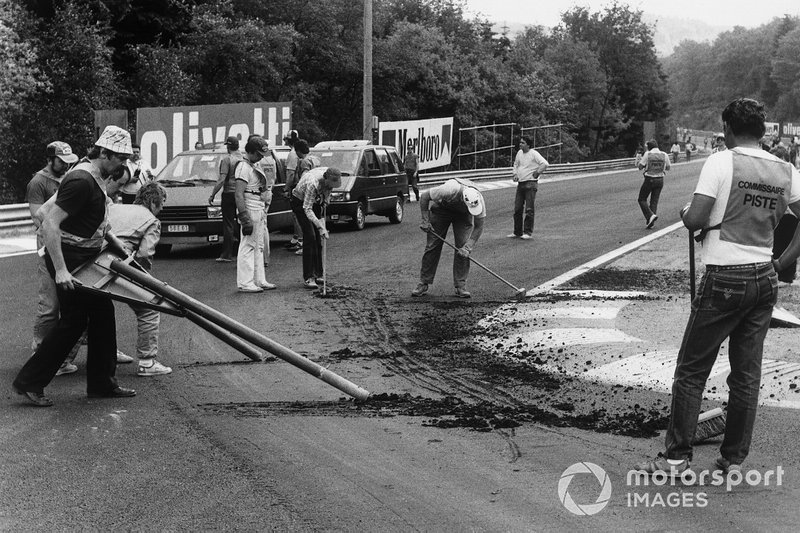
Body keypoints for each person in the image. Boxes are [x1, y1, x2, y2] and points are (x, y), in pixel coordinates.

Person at [634, 98, 800, 476]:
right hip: (765, 277)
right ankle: (733, 459)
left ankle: (676, 458)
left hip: (725, 277)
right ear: (762, 131)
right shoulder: (786, 169)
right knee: (746, 373)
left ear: (727, 127)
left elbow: (695, 219)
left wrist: (685, 214)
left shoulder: (721, 161)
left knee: (691, 370)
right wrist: (784, 261)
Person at [12, 126, 137, 406]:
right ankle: (29, 382)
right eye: (119, 158)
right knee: (73, 322)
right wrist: (60, 270)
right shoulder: (82, 180)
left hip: (84, 257)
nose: (123, 165)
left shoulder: (93, 175)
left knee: (103, 314)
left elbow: (81, 215)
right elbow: (49, 223)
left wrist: (112, 240)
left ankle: (102, 383)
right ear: (104, 152)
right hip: (70, 260)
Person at [27, 141, 82, 375]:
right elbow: (39, 218)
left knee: (78, 301)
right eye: (62, 161)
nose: (66, 165)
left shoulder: (70, 176)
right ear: (50, 160)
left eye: (70, 161)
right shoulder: (38, 182)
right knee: (50, 304)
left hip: (71, 245)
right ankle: (38, 353)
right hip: (48, 246)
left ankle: (64, 355)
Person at [108, 182, 173, 376]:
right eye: (161, 205)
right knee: (149, 309)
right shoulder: (152, 220)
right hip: (118, 264)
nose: (160, 210)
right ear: (153, 202)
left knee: (89, 311)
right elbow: (144, 256)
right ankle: (147, 361)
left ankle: (63, 361)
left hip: (92, 261)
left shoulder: (114, 207)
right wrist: (148, 283)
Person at [412, 178, 486, 298]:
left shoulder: (478, 200)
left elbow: (479, 226)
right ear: (462, 198)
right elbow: (425, 196)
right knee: (432, 245)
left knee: (463, 246)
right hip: (441, 210)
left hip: (463, 216)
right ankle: (423, 283)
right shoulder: (449, 189)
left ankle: (460, 285)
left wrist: (468, 247)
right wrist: (425, 220)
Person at [235, 136, 276, 292]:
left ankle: (259, 279)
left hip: (258, 205)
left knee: (258, 245)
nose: (260, 157)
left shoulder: (254, 164)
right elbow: (238, 194)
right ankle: (245, 282)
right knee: (248, 245)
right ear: (250, 151)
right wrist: (244, 217)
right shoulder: (243, 167)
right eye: (258, 154)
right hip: (250, 205)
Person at [290, 167, 342, 289]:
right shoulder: (312, 184)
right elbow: (307, 209)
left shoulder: (329, 181)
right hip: (300, 202)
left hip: (315, 202)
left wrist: (325, 204)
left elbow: (326, 197)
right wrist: (320, 226)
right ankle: (308, 277)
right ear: (326, 179)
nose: (332, 187)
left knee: (318, 239)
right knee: (310, 236)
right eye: (331, 184)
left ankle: (318, 273)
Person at [208, 136, 242, 262]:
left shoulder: (227, 160)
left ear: (228, 146)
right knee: (240, 222)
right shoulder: (243, 158)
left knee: (228, 224)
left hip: (228, 193)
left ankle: (227, 254)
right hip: (240, 193)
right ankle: (243, 250)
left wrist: (213, 194)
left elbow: (222, 179)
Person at [508, 136, 548, 240]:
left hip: (530, 183)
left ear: (528, 145)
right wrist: (515, 174)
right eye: (520, 142)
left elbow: (545, 163)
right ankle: (517, 231)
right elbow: (516, 164)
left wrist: (538, 172)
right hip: (521, 183)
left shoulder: (533, 153)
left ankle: (527, 232)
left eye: (522, 143)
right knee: (517, 209)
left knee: (529, 209)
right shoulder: (519, 153)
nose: (520, 144)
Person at [637, 138, 671, 229]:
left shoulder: (648, 154)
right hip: (660, 179)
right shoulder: (664, 154)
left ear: (649, 147)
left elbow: (640, 167)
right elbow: (668, 167)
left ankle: (649, 215)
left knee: (642, 199)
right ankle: (650, 222)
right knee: (654, 201)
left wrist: (639, 160)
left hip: (650, 178)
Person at [282, 130, 303, 252]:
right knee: (297, 214)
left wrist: (286, 188)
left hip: (295, 186)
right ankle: (296, 238)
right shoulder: (297, 153)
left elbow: (290, 173)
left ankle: (300, 240)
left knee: (296, 215)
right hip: (299, 185)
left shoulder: (292, 154)